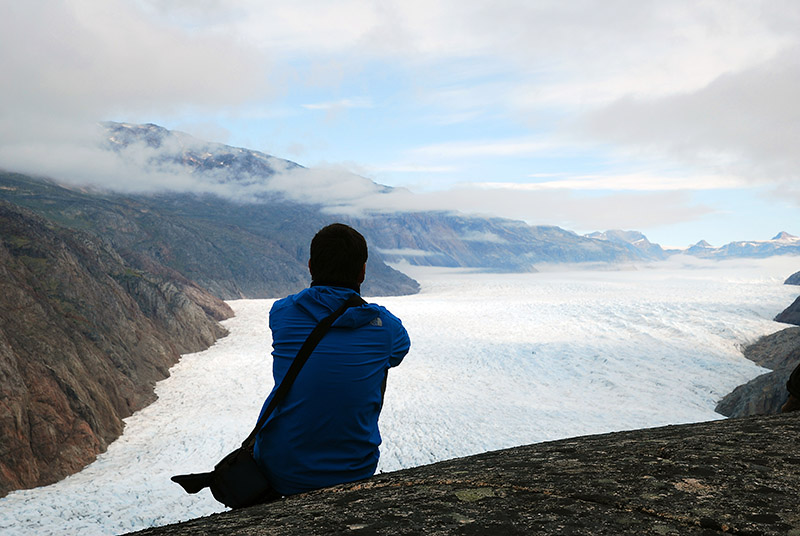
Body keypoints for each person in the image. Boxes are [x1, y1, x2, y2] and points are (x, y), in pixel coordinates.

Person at [253, 223, 410, 496]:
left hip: (281, 469)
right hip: (354, 470)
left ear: (311, 265)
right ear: (362, 270)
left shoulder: (282, 313)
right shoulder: (388, 329)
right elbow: (397, 353)